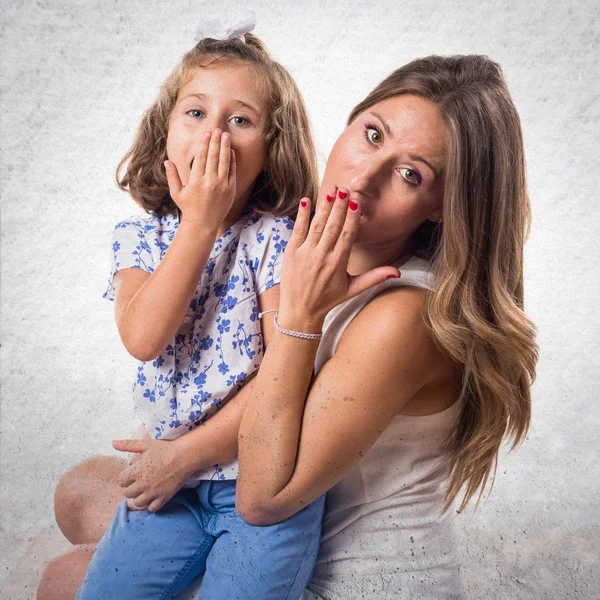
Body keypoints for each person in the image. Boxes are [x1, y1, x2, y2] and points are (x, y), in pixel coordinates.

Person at [233, 54, 539, 600]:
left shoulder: (404, 316)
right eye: (372, 134)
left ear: (444, 207)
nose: (362, 179)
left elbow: (262, 500)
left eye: (409, 174)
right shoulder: (300, 255)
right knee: (84, 494)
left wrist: (299, 318)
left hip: (353, 584)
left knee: (71, 574)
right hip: (274, 559)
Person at [37, 21, 325, 600]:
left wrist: (188, 454)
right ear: (164, 129)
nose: (215, 133)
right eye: (195, 113)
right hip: (168, 489)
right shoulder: (137, 240)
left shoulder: (279, 239)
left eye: (240, 120)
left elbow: (284, 379)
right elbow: (144, 338)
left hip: (259, 482)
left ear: (271, 149)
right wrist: (198, 222)